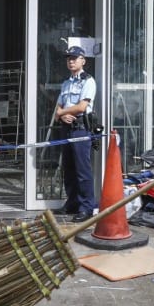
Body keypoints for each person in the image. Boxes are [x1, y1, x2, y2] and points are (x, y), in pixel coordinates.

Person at [53, 46, 97, 222]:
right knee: (68, 168)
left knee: (82, 170)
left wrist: (63, 113)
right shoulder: (66, 83)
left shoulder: (88, 81)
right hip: (66, 128)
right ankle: (72, 203)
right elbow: (57, 109)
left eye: (74, 58)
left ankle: (86, 207)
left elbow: (81, 107)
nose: (71, 61)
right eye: (68, 58)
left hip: (80, 128)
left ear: (83, 60)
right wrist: (62, 116)